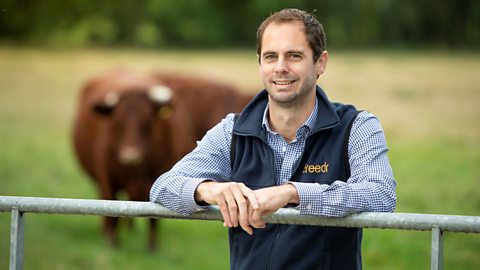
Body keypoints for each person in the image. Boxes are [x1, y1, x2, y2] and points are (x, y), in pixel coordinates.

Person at [150, 8, 396, 270]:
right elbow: (162, 188)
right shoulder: (232, 130)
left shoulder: (357, 126)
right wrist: (210, 189)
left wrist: (292, 193)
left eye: (294, 56)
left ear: (320, 62)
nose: (280, 68)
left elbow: (381, 194)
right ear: (260, 63)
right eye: (270, 57)